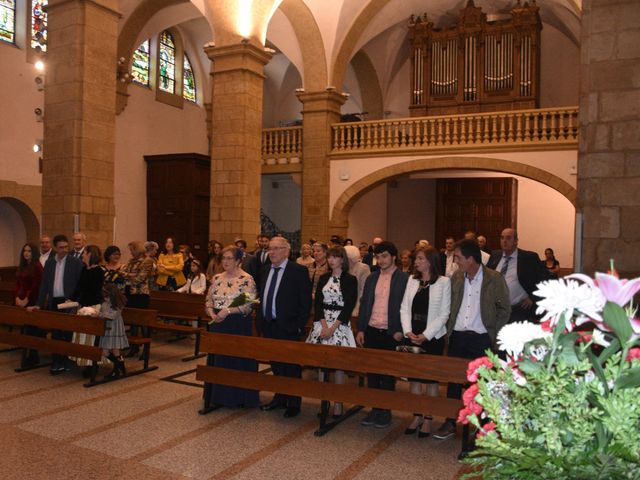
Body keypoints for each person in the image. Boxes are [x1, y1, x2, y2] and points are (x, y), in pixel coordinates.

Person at [433, 239, 510, 440]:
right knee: (453, 382)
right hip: (458, 337)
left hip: (482, 338)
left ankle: (483, 424)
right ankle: (451, 421)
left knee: (483, 383)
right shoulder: (457, 277)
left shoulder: (494, 278)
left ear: (470, 258)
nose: (455, 261)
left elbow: (504, 309)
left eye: (458, 257)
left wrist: (495, 332)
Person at [356, 241, 409, 429]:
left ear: (393, 257)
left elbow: (407, 308)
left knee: (387, 375)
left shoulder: (404, 279)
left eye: (385, 256)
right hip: (372, 329)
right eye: (378, 257)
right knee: (372, 374)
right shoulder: (372, 278)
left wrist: (401, 331)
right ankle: (375, 409)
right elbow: (365, 305)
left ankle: (385, 411)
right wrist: (361, 329)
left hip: (391, 332)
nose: (381, 260)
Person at [399, 246, 451, 437]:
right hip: (413, 333)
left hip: (432, 336)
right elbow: (404, 308)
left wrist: (426, 335)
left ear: (430, 261)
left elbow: (444, 313)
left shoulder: (444, 282)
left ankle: (428, 418)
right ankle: (417, 415)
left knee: (430, 380)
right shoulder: (412, 280)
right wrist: (408, 332)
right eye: (416, 259)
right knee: (413, 378)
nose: (416, 262)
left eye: (420, 259)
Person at [258, 237, 312, 418]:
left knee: (291, 366)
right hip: (269, 325)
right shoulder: (265, 270)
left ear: (286, 251)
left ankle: (294, 403)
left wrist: (299, 326)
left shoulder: (298, 271)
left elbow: (305, 303)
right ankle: (280, 397)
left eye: (276, 249)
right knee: (276, 364)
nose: (271, 252)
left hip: (288, 327)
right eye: (269, 249)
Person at [203, 245, 260, 409]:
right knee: (218, 360)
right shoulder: (217, 278)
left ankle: (237, 397)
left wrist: (227, 311)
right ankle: (216, 396)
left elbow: (248, 304)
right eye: (223, 258)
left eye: (229, 258)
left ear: (238, 260)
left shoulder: (247, 279)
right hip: (217, 323)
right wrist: (211, 313)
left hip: (237, 324)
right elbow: (208, 300)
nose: (225, 261)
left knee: (235, 360)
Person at [306, 246, 357, 417]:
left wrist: (333, 328)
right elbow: (318, 303)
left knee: (338, 366)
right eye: (329, 257)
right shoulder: (324, 277)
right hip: (322, 322)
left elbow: (348, 306)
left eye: (335, 257)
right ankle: (324, 400)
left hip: (339, 323)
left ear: (342, 259)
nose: (331, 260)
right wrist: (324, 326)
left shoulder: (350, 279)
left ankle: (338, 402)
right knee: (322, 364)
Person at [33, 234, 83, 374]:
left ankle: (66, 361)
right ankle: (56, 361)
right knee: (55, 332)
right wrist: (39, 303)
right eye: (61, 247)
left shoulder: (75, 262)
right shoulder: (50, 263)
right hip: (54, 301)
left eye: (66, 247)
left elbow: (80, 284)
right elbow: (44, 285)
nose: (64, 250)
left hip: (68, 301)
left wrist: (75, 301)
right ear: (56, 248)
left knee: (67, 332)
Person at [486, 228, 550, 323]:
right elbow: (486, 278)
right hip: (496, 310)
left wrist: (532, 298)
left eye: (508, 238)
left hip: (518, 310)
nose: (504, 241)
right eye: (502, 238)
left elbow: (545, 278)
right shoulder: (495, 256)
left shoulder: (529, 258)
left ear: (516, 241)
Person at [72, 245, 105, 369]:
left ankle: (91, 364)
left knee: (91, 338)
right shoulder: (84, 269)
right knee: (82, 335)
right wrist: (72, 299)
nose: (82, 255)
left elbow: (94, 290)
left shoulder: (99, 271)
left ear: (90, 254)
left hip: (94, 306)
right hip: (84, 305)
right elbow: (79, 287)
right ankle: (83, 361)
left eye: (84, 253)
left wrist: (86, 306)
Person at [121, 241, 155, 357]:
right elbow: (123, 272)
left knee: (143, 322)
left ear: (137, 250)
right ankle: (134, 348)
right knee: (133, 321)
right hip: (130, 293)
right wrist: (127, 275)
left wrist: (126, 275)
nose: (130, 253)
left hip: (141, 295)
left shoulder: (148, 261)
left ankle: (146, 349)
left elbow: (140, 279)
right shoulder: (131, 261)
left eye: (131, 250)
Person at [99, 284, 129, 378]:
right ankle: (120, 365)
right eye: (104, 297)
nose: (105, 299)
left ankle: (116, 370)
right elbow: (102, 312)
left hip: (115, 329)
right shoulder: (104, 303)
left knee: (116, 351)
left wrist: (100, 314)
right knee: (105, 352)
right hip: (107, 330)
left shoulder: (118, 304)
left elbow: (113, 316)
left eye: (107, 297)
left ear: (113, 295)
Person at [344, 245, 370, 317]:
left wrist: (357, 308)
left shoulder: (363, 268)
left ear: (350, 258)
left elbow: (363, 290)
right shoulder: (344, 268)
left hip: (357, 305)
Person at [14, 243, 43, 308]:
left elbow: (36, 286)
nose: (26, 253)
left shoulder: (37, 266)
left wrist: (27, 299)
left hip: (31, 299)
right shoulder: (23, 265)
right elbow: (18, 283)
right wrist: (16, 297)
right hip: (20, 298)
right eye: (24, 251)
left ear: (34, 252)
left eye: (29, 251)